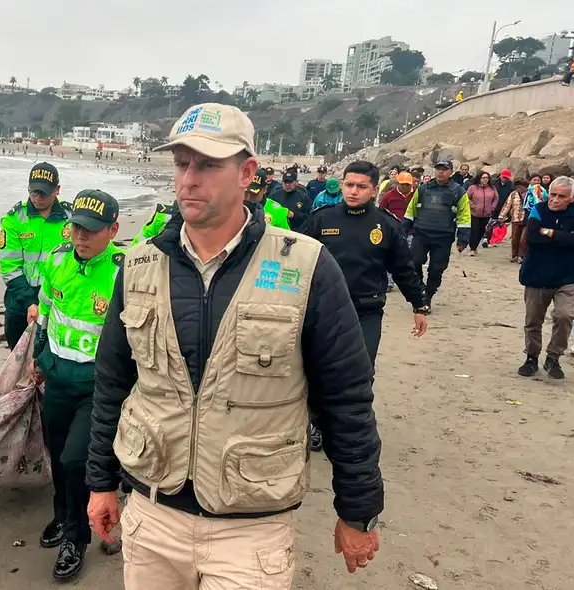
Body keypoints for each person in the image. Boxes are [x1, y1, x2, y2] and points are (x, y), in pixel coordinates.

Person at [86, 103, 383, 590]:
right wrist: (100, 481)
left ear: (247, 172)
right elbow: (114, 380)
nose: (189, 179)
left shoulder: (306, 267)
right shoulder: (139, 265)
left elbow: (346, 397)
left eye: (207, 164)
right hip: (153, 513)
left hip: (253, 527)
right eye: (182, 163)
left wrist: (359, 510)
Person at [27, 189, 124, 581]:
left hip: (96, 388)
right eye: (76, 228)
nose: (81, 237)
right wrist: (38, 356)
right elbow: (46, 309)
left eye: (91, 231)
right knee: (56, 456)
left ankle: (76, 538)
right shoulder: (56, 260)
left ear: (113, 230)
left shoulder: (123, 272)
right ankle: (62, 516)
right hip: (58, 378)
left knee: (75, 461)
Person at [301, 160, 428, 366]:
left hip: (366, 310)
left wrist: (418, 305)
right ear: (342, 185)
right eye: (349, 185)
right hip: (323, 309)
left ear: (374, 190)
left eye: (361, 187)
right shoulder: (322, 219)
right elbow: (299, 261)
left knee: (362, 370)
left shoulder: (387, 225)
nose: (353, 191)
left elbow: (403, 269)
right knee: (317, 371)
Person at [0, 163, 73, 348]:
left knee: (50, 364)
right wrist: (30, 302)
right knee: (17, 362)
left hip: (58, 303)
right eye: (34, 192)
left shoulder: (71, 219)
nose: (37, 197)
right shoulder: (14, 219)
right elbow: (9, 268)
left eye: (43, 193)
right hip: (19, 302)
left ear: (57, 190)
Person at [517, 177, 574, 380]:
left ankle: (553, 356)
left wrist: (550, 232)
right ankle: (531, 357)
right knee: (533, 320)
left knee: (565, 316)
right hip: (537, 274)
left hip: (568, 276)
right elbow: (533, 238)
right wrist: (563, 237)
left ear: (572, 198)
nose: (554, 200)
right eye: (552, 194)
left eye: (561, 196)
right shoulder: (538, 209)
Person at [404, 160, 471, 313]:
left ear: (451, 172)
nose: (440, 172)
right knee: (413, 263)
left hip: (444, 237)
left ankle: (427, 296)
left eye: (444, 169)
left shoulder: (458, 192)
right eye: (438, 169)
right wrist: (404, 229)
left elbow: (464, 216)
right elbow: (411, 210)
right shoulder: (423, 189)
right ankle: (420, 287)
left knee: (436, 269)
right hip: (421, 233)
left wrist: (463, 239)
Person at [466, 170, 499, 255]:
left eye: (487, 178)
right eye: (483, 178)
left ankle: (475, 246)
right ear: (479, 178)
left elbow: (496, 198)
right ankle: (472, 248)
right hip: (474, 213)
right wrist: (473, 206)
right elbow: (466, 198)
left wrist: (493, 207)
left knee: (481, 231)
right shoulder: (473, 187)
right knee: (474, 230)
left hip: (487, 214)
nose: (485, 179)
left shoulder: (492, 188)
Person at [497, 177, 529, 263]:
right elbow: (507, 205)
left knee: (523, 239)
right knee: (515, 238)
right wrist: (501, 217)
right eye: (518, 187)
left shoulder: (531, 194)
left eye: (521, 187)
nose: (519, 189)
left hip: (527, 220)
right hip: (515, 219)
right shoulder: (513, 194)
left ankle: (521, 256)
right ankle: (514, 255)